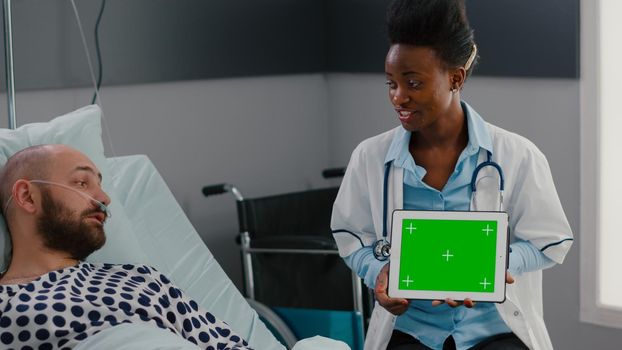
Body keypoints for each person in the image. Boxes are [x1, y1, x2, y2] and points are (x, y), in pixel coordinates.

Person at [330, 1, 573, 349]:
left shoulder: (517, 155)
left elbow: (552, 242)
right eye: (391, 83)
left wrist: (494, 268)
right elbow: (349, 235)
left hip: (494, 330)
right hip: (409, 330)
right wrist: (377, 273)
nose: (399, 97)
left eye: (413, 82)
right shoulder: (370, 157)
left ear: (455, 78)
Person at [0, 144, 251, 349]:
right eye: (81, 183)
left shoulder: (142, 278)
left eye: (101, 185)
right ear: (27, 196)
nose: (104, 199)